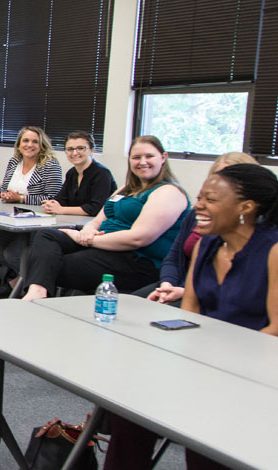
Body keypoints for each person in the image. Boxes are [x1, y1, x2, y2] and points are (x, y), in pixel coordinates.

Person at [103, 163, 278, 470]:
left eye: (210, 199)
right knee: (128, 406)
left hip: (256, 375)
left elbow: (274, 330)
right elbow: (191, 312)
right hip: (206, 363)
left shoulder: (273, 251)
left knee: (206, 439)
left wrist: (219, 368)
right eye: (199, 197)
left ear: (246, 207)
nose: (197, 205)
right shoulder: (208, 244)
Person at [21, 135, 189, 300]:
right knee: (46, 235)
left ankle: (39, 300)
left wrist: (85, 240)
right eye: (136, 157)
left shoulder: (168, 192)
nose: (142, 162)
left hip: (137, 259)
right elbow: (97, 220)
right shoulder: (126, 189)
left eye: (149, 156)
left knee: (53, 265)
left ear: (163, 157)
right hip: (103, 246)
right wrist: (88, 231)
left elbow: (137, 239)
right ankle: (37, 293)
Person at [139, 152, 258, 305]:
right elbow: (174, 256)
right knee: (126, 308)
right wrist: (167, 284)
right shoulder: (197, 215)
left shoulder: (252, 229)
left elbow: (235, 284)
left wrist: (184, 291)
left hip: (209, 296)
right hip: (177, 285)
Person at [0, 126, 64, 296]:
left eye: (35, 141)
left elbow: (53, 197)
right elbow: (6, 187)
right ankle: (21, 280)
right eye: (26, 141)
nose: (30, 145)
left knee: (11, 255)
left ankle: (26, 284)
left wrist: (21, 198)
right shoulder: (15, 161)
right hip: (13, 215)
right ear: (19, 144)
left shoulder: (50, 165)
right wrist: (6, 195)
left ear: (42, 144)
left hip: (38, 220)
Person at [40, 131, 116, 217]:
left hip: (95, 224)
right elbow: (62, 199)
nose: (75, 153)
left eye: (80, 148)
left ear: (91, 150)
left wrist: (61, 210)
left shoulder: (102, 174)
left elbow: (95, 208)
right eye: (70, 149)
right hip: (75, 220)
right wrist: (51, 204)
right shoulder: (72, 173)